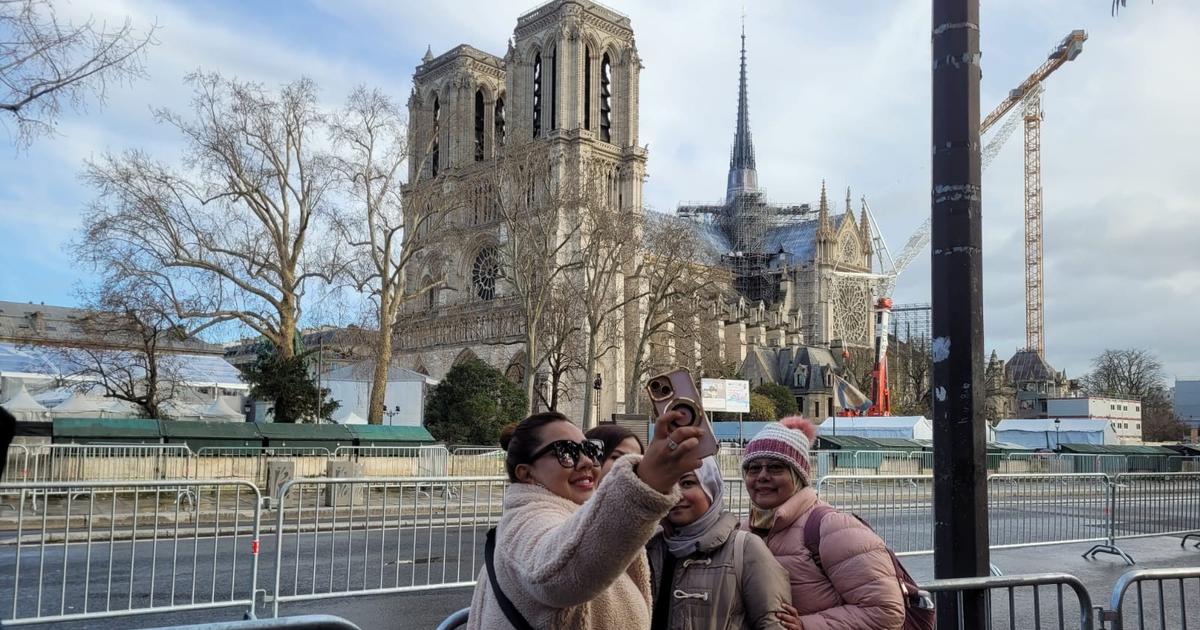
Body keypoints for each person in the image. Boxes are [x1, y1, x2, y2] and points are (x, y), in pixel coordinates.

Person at [466, 410, 704, 630]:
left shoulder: (573, 514)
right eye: (566, 452)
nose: (587, 462)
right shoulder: (527, 519)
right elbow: (555, 572)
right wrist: (646, 481)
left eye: (590, 449)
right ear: (526, 473)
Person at [741, 416, 905, 630]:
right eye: (753, 468)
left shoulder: (833, 528)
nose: (762, 476)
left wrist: (806, 626)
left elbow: (886, 611)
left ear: (798, 476)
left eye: (775, 467)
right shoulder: (743, 531)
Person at [646, 456, 792, 630]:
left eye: (687, 484)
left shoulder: (745, 548)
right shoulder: (651, 546)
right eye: (668, 485)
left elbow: (772, 623)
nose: (676, 495)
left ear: (711, 487)